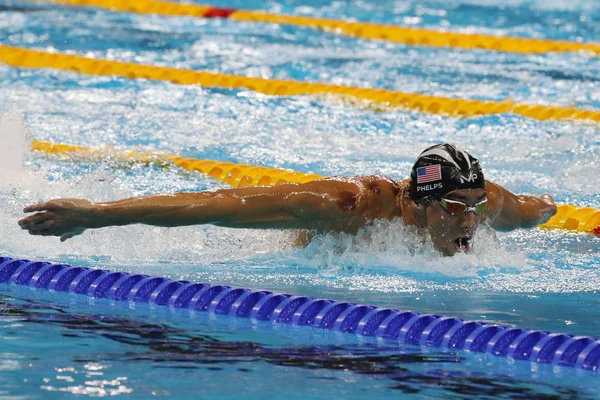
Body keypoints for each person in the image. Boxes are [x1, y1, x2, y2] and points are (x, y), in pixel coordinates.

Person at [18, 143, 557, 256]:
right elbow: (212, 204)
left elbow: (539, 209)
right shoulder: (345, 208)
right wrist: (96, 215)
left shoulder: (492, 207)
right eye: (457, 208)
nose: (472, 222)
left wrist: (556, 208)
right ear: (418, 204)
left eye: (478, 206)